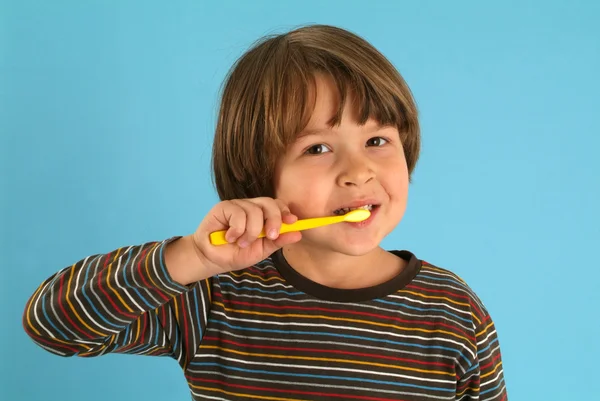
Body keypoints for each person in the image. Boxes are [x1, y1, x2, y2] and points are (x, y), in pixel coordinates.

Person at [22, 24, 507, 400]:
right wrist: (194, 257)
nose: (358, 173)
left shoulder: (451, 311)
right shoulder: (216, 296)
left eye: (377, 141)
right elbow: (53, 325)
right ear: (258, 178)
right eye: (318, 148)